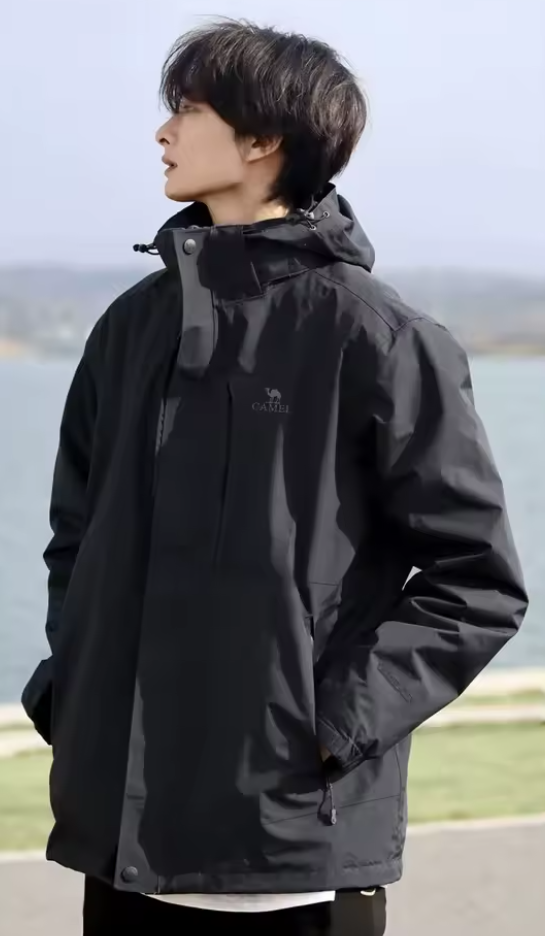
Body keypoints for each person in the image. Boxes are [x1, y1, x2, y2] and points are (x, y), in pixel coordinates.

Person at [22, 19, 528, 936]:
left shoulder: (376, 337)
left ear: (263, 139)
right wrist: (76, 689)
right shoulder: (130, 329)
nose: (162, 131)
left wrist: (330, 727)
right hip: (120, 848)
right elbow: (75, 537)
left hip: (294, 853)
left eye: (188, 110)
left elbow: (476, 582)